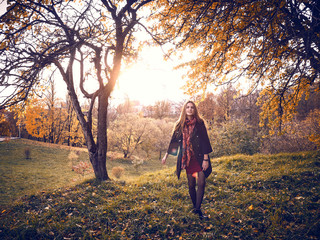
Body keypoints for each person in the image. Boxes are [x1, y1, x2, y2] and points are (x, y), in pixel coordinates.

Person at [162, 100, 213, 219]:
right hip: (187, 159)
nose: (190, 109)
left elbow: (205, 141)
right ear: (184, 110)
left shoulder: (200, 123)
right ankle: (195, 207)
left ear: (195, 110)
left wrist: (206, 159)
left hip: (199, 157)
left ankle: (197, 209)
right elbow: (173, 142)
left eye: (192, 107)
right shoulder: (179, 125)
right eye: (187, 107)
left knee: (201, 182)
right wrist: (166, 155)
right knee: (191, 185)